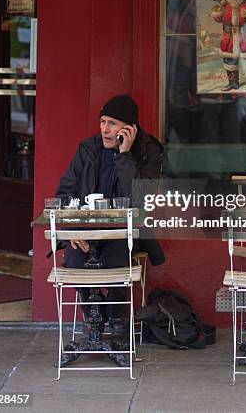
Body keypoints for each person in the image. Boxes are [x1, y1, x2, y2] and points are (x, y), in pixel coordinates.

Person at [56, 94, 165, 332]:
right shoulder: (88, 149)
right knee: (74, 259)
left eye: (112, 123)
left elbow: (141, 200)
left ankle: (116, 314)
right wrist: (70, 231)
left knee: (117, 257)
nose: (105, 129)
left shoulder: (148, 152)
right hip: (86, 230)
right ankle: (94, 313)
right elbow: (64, 193)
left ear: (129, 129)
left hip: (125, 231)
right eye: (102, 121)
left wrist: (124, 155)